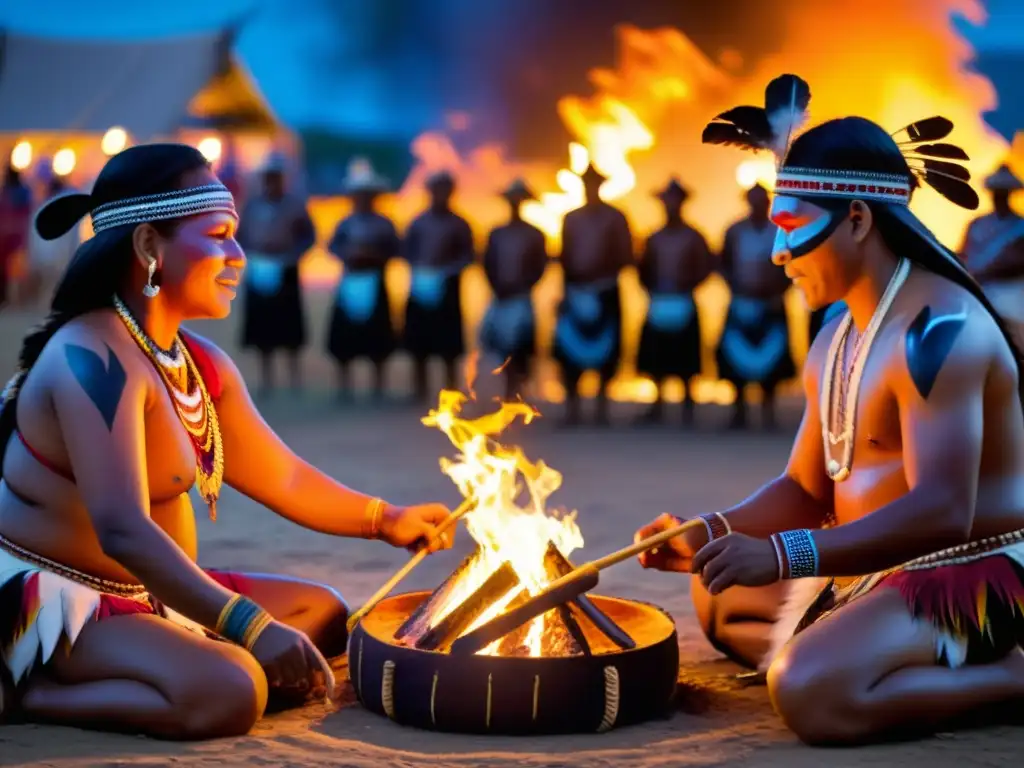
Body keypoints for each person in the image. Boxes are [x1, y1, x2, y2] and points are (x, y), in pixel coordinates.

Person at [0, 144, 455, 739]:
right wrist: (249, 626)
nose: (238, 255)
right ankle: (30, 693)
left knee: (324, 615)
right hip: (61, 606)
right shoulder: (90, 357)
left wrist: (387, 519)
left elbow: (284, 477)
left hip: (147, 590)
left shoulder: (200, 364)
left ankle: (170, 648)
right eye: (218, 234)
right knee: (231, 689)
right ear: (147, 248)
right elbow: (121, 529)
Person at [635, 73, 1024, 746]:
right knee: (717, 587)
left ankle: (1010, 674)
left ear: (858, 219)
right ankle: (863, 643)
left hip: (969, 573)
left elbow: (942, 511)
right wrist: (707, 531)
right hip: (871, 564)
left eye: (792, 227)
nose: (778, 253)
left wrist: (786, 556)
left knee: (809, 690)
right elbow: (806, 488)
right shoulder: (837, 335)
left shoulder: (940, 330)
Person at [553, 163, 633, 426]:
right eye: (586, 183)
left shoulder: (616, 218)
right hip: (576, 291)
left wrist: (600, 273)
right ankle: (572, 409)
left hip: (606, 290)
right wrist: (568, 290)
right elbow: (564, 257)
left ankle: (601, 409)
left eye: (594, 183)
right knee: (569, 354)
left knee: (608, 353)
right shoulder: (571, 218)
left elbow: (625, 256)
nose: (590, 188)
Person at [715, 183, 796, 430]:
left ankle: (768, 412)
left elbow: (792, 267)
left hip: (771, 303)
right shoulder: (735, 231)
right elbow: (722, 263)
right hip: (741, 302)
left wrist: (776, 290)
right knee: (734, 361)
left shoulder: (781, 232)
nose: (758, 205)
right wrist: (737, 288)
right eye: (754, 201)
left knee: (773, 364)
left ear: (769, 203)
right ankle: (739, 411)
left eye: (762, 201)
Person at [635, 178, 712, 426]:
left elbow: (705, 267)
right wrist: (653, 289)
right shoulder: (653, 238)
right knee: (656, 357)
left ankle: (688, 404)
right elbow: (642, 269)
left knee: (685, 358)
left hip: (683, 301)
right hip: (659, 301)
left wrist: (686, 285)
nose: (670, 206)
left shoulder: (693, 237)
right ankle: (657, 403)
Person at [236, 152, 316, 393]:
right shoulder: (251, 206)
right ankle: (266, 380)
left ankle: (294, 379)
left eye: (276, 177)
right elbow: (239, 236)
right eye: (268, 177)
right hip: (259, 269)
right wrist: (251, 252)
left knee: (289, 327)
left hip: (286, 269)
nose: (272, 182)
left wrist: (292, 254)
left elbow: (309, 236)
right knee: (262, 328)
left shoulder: (295, 206)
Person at [325, 159, 399, 400]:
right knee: (344, 340)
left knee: (378, 339)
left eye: (367, 194)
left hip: (375, 280)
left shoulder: (384, 224)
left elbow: (396, 250)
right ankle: (345, 388)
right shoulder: (345, 223)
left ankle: (378, 388)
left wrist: (374, 256)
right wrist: (348, 254)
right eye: (359, 194)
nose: (363, 199)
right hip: (350, 282)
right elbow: (333, 246)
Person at [402, 171, 474, 402]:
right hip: (421, 287)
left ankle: (451, 391)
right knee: (418, 342)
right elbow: (407, 250)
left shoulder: (459, 224)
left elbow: (469, 255)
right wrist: (421, 270)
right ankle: (418, 389)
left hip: (448, 289)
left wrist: (447, 270)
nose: (440, 194)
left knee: (449, 345)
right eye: (437, 189)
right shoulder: (419, 222)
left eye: (445, 189)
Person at [479, 178, 548, 401]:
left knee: (520, 346)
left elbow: (539, 266)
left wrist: (521, 286)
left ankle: (517, 391)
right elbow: (487, 263)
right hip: (500, 297)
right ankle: (505, 391)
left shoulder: (534, 235)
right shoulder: (496, 234)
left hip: (521, 298)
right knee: (497, 344)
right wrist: (497, 287)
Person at [959, 164, 1024, 344]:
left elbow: (1017, 261)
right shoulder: (977, 224)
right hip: (977, 289)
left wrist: (981, 275)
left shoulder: (1020, 226)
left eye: (1003, 192)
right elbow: (963, 253)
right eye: (997, 192)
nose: (999, 196)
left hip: (1008, 293)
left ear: (1010, 193)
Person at [26, 176, 81, 306]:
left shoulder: (43, 208)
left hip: (49, 260)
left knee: (49, 292)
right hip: (59, 260)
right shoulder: (64, 209)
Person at [0, 160, 33, 309]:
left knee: (15, 271)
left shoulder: (17, 193)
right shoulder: (11, 192)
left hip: (15, 238)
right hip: (11, 238)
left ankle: (17, 300)